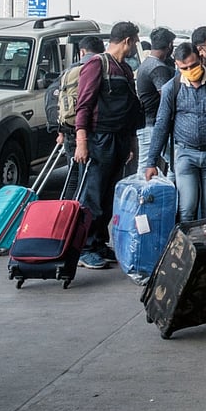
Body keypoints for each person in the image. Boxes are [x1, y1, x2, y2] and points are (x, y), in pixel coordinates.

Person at [145, 42, 206, 221]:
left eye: (193, 65)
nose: (190, 70)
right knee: (186, 208)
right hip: (185, 154)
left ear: (200, 58)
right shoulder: (172, 88)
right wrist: (151, 162)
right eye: (184, 68)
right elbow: (161, 125)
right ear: (177, 66)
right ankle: (188, 248)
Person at [73, 22, 144, 270]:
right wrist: (81, 142)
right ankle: (83, 248)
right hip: (98, 139)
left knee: (107, 196)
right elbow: (83, 106)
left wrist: (132, 141)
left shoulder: (124, 68)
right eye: (135, 41)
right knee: (91, 196)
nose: (136, 47)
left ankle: (99, 242)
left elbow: (130, 108)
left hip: (120, 138)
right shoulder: (96, 65)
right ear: (127, 41)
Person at [135, 27, 175, 176]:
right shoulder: (158, 68)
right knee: (151, 168)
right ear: (170, 45)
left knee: (173, 163)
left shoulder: (146, 64)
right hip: (152, 125)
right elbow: (167, 96)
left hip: (148, 123)